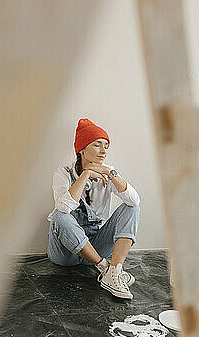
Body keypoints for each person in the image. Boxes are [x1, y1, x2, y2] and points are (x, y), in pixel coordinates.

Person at [47, 118, 140, 299]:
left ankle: (114, 271)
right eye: (97, 145)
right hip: (65, 254)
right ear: (81, 149)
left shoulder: (108, 172)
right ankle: (105, 268)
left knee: (132, 208)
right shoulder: (63, 173)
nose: (104, 151)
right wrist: (87, 174)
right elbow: (64, 208)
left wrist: (111, 173)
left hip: (96, 246)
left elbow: (134, 200)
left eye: (106, 145)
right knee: (60, 216)